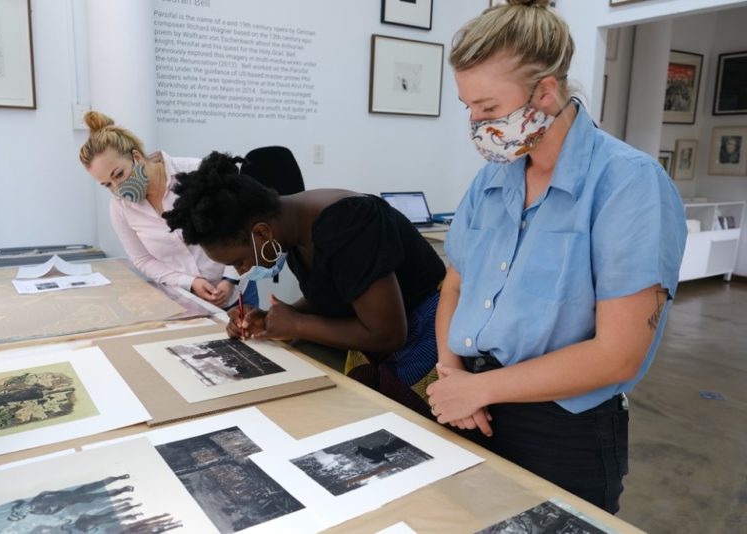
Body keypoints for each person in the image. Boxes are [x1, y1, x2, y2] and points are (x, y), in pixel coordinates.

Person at [424, 0, 687, 514]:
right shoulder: (493, 179)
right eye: (469, 108)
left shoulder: (627, 184)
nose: (476, 123)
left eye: (489, 108)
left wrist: (477, 389)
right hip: (470, 403)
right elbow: (454, 285)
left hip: (562, 428)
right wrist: (452, 375)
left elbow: (618, 354)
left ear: (545, 92)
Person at [162, 152, 446, 415]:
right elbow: (342, 292)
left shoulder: (348, 224)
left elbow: (388, 333)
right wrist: (276, 318)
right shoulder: (293, 231)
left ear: (261, 232)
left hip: (428, 343)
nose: (242, 270)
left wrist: (297, 324)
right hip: (382, 348)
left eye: (239, 261)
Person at [78, 111, 257, 309]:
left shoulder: (195, 172)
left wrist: (230, 279)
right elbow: (143, 259)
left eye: (118, 174)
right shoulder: (120, 208)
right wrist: (189, 282)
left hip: (237, 291)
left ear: (136, 157)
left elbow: (241, 227)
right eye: (107, 184)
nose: (117, 188)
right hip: (185, 299)